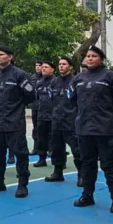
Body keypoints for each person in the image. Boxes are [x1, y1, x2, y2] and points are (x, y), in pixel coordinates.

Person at [71, 46, 113, 213]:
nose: (89, 58)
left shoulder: (111, 76)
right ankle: (87, 195)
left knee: (110, 166)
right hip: (84, 129)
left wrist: (109, 108)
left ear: (101, 59)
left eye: (94, 56)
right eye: (88, 56)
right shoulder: (78, 78)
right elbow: (71, 99)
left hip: (105, 129)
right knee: (87, 165)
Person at [0, 46, 35, 197]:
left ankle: (22, 184)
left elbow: (31, 95)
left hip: (14, 123)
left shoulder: (20, 75)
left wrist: (16, 107)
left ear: (10, 57)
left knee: (20, 153)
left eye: (2, 54)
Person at [46, 56, 81, 184]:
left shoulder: (76, 81)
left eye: (64, 64)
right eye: (60, 64)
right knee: (57, 148)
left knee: (77, 149)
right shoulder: (54, 82)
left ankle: (81, 175)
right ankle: (58, 172)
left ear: (70, 66)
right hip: (56, 120)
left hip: (71, 121)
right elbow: (52, 100)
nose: (61, 66)